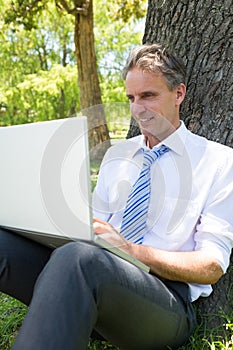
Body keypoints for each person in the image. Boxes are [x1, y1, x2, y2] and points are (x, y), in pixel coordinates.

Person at [2, 43, 232, 350]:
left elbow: (212, 266)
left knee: (79, 259)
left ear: (178, 94)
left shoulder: (219, 162)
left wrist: (133, 251)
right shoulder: (118, 155)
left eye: (148, 96)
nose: (137, 108)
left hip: (165, 305)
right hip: (93, 283)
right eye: (131, 98)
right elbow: (93, 231)